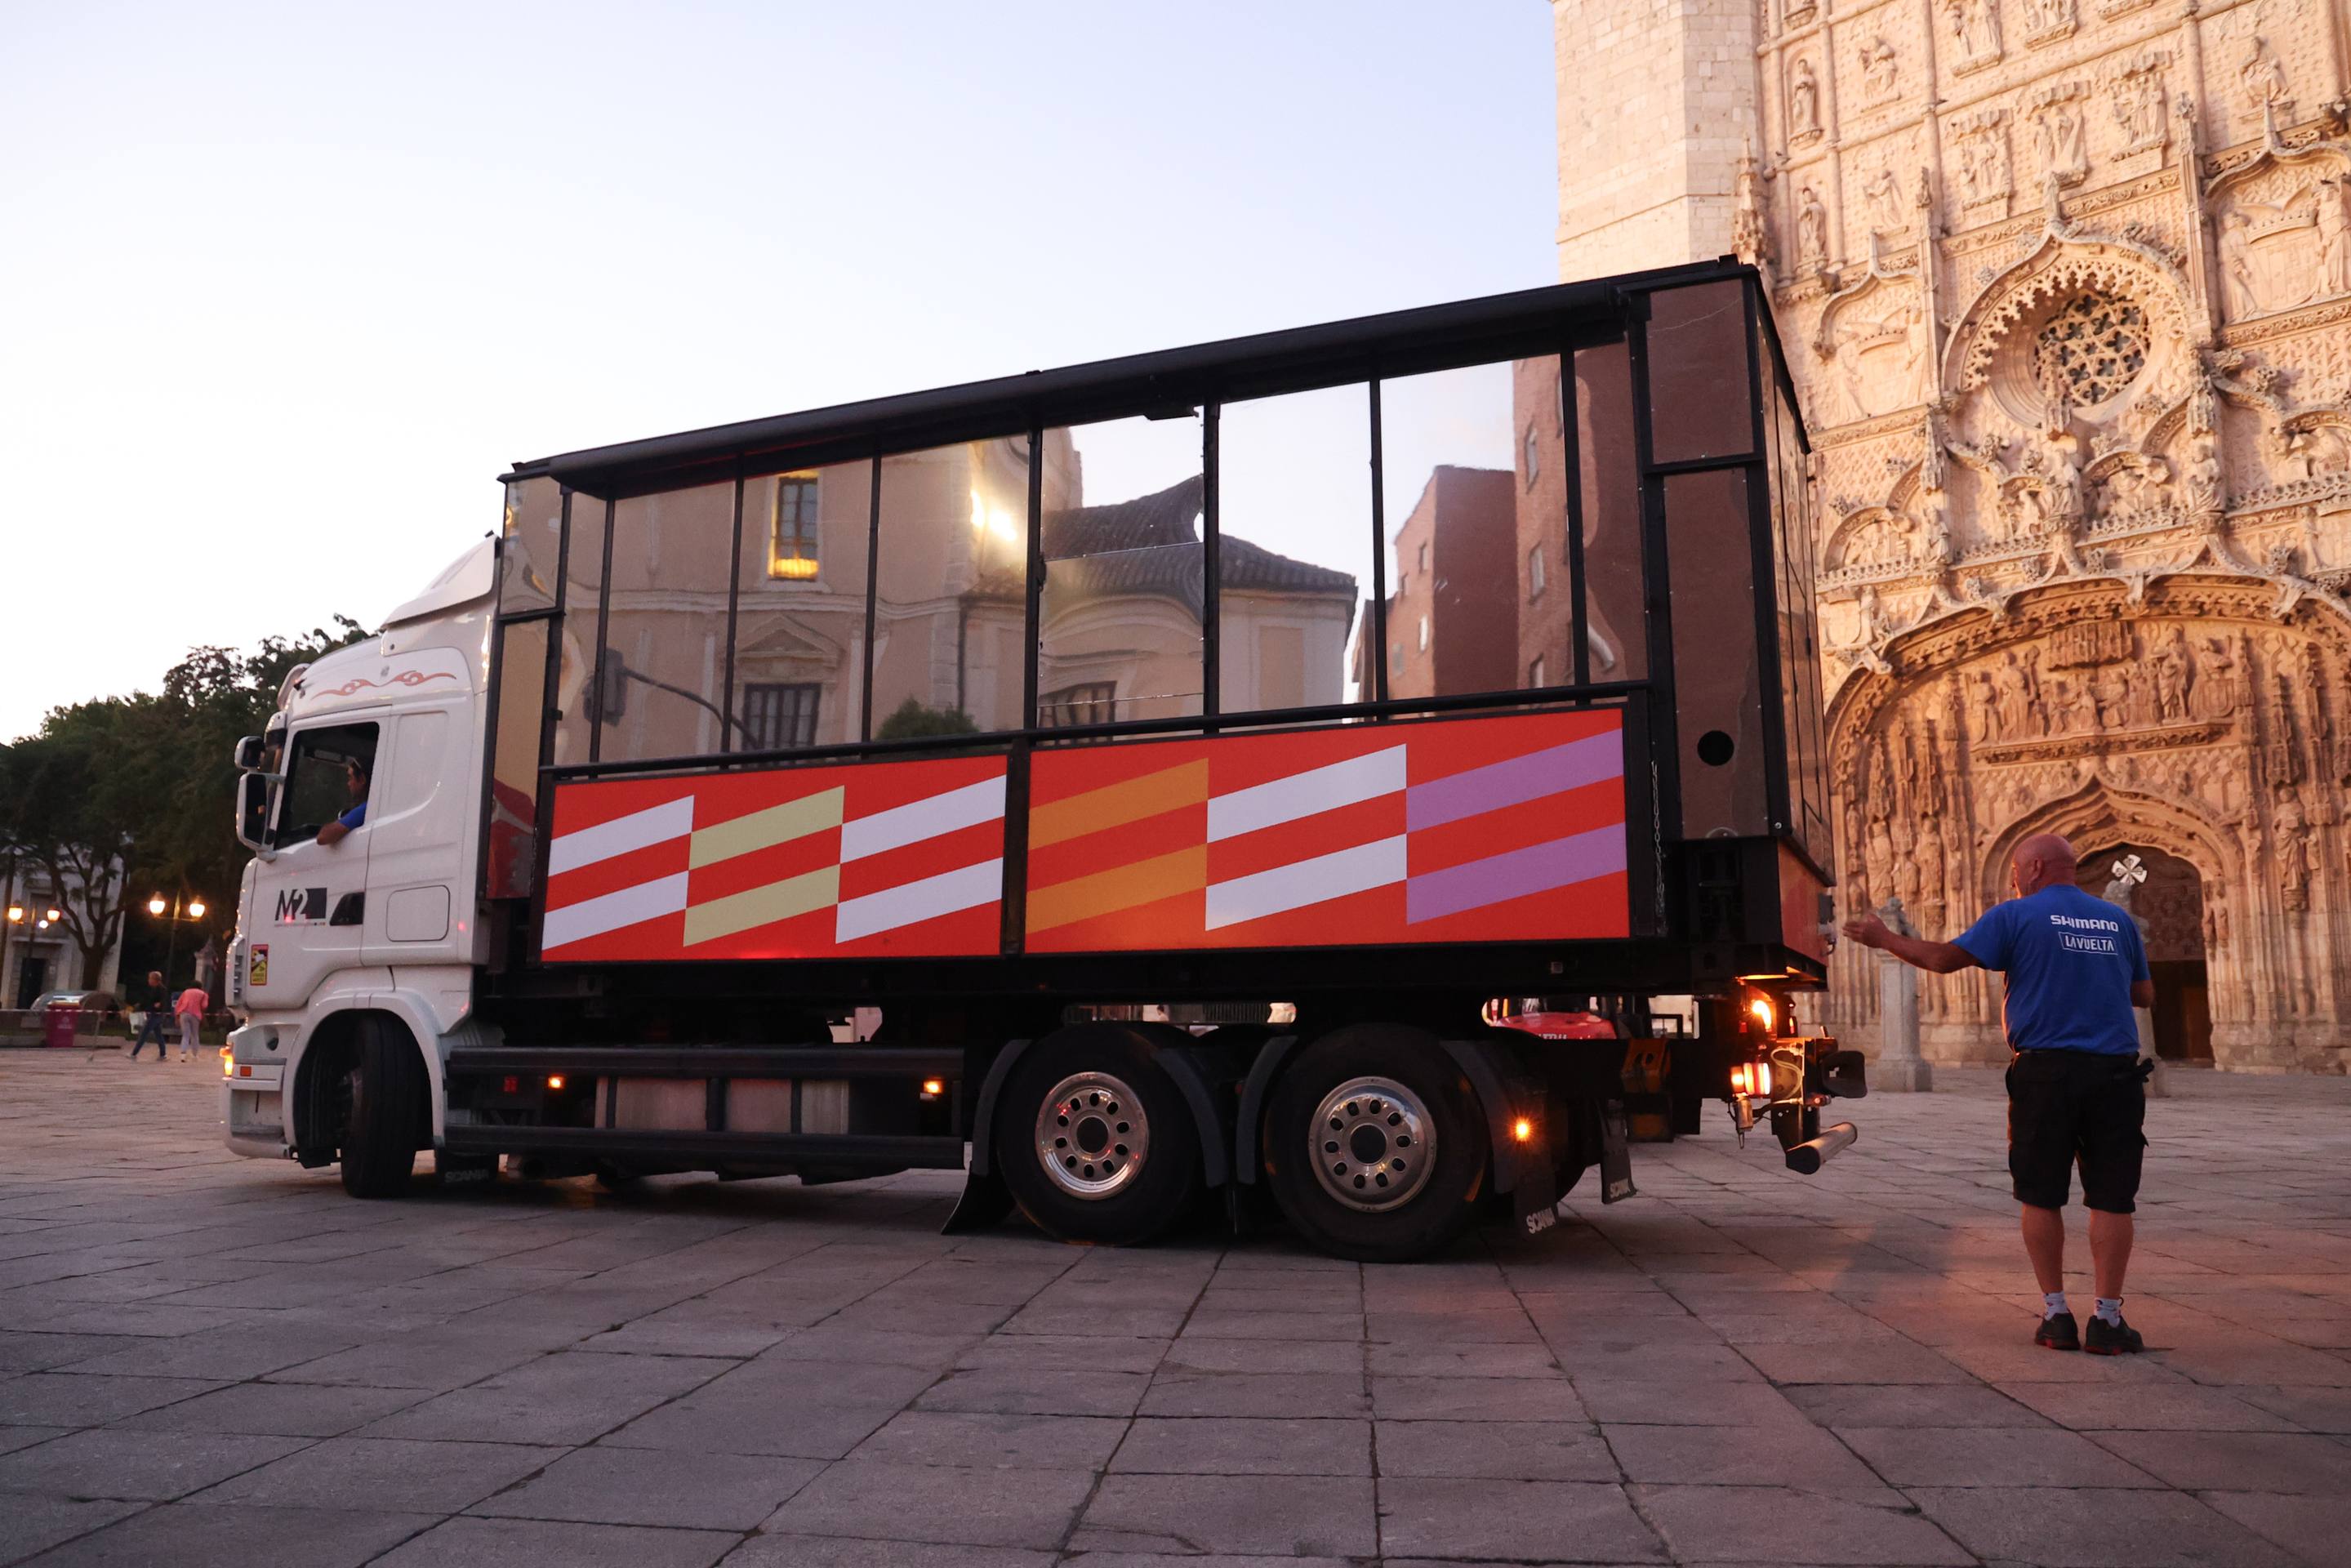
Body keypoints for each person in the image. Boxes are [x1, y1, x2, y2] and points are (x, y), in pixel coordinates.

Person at [1843, 832, 2153, 1354]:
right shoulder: (2116, 920)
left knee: (2040, 1194)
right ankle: (2108, 1319)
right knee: (2113, 1198)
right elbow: (2143, 994)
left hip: (2045, 1072)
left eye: (2015, 870)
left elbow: (1943, 960)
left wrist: (1884, 940)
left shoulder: (2016, 915)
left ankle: (2056, 1315)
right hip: (2114, 1075)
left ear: (2032, 869)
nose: (2014, 878)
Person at [316, 756, 370, 847]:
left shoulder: (364, 810)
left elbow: (322, 837)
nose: (348, 784)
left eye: (350, 778)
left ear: (362, 780)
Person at [127, 970, 171, 1062]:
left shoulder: (162, 989)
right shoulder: (152, 989)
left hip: (156, 1015)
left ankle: (134, 1053)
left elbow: (165, 1002)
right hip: (153, 1013)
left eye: (150, 978)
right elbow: (148, 1001)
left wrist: (160, 1004)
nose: (149, 980)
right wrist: (139, 1005)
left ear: (156, 980)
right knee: (158, 1035)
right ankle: (163, 1055)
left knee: (144, 1033)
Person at [173, 982, 211, 1063]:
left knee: (185, 1035)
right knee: (195, 1035)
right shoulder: (203, 994)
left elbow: (178, 1004)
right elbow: (204, 1006)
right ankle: (195, 1055)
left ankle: (183, 1055)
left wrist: (177, 1016)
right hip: (196, 1015)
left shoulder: (186, 992)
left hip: (184, 1013)